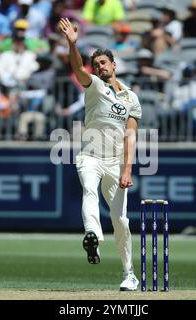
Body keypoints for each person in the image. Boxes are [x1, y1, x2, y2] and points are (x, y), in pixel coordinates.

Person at [58, 17, 142, 291]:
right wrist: (73, 45)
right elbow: (76, 68)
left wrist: (128, 169)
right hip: (90, 156)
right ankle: (92, 234)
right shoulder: (93, 84)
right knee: (89, 192)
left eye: (103, 63)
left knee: (121, 221)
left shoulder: (131, 97)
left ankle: (129, 273)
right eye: (96, 65)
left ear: (114, 65)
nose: (99, 67)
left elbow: (131, 135)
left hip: (116, 162)